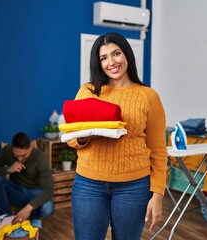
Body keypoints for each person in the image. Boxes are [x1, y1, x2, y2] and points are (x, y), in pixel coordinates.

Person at [67, 32, 168, 240]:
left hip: (134, 186)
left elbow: (158, 148)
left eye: (116, 54)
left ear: (127, 55)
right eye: (104, 58)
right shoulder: (87, 91)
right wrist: (84, 138)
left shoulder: (149, 96)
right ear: (98, 62)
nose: (111, 62)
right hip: (89, 184)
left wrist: (158, 194)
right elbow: (71, 137)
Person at [0, 132, 54, 224]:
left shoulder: (40, 157)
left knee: (47, 209)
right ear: (12, 148)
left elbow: (49, 190)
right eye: (16, 155)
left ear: (31, 147)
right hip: (16, 192)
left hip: (34, 194)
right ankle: (5, 219)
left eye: (24, 155)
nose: (20, 159)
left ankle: (31, 216)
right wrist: (8, 169)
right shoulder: (7, 150)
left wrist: (28, 207)